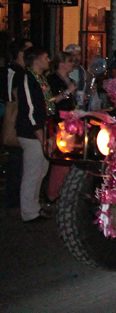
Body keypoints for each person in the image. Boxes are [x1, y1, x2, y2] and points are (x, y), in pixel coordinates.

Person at [16, 47, 52, 222]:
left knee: (41, 170)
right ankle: (29, 212)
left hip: (42, 130)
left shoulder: (40, 79)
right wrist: (41, 136)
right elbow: (31, 110)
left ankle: (34, 206)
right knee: (32, 172)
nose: (48, 60)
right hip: (32, 133)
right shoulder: (27, 78)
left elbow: (46, 104)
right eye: (45, 57)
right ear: (36, 59)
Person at [2, 38, 31, 212]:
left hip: (18, 117)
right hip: (13, 117)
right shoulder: (14, 71)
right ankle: (12, 197)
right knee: (15, 156)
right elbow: (11, 96)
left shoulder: (23, 72)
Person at [46, 51, 78, 203]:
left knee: (67, 157)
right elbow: (50, 101)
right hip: (58, 121)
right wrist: (67, 92)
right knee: (60, 159)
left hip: (69, 122)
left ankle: (63, 190)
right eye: (70, 61)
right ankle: (53, 193)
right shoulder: (52, 80)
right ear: (61, 63)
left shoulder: (69, 80)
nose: (73, 64)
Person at [65, 43, 89, 109]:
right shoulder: (62, 73)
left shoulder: (86, 75)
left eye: (78, 55)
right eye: (73, 55)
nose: (76, 58)